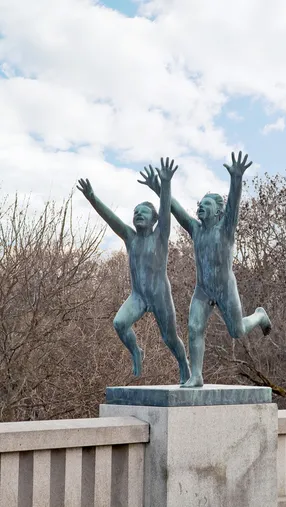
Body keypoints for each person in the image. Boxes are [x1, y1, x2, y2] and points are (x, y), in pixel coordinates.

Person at [138, 151, 271, 388]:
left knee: (237, 331)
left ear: (218, 211)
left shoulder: (225, 229)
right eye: (200, 204)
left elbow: (233, 205)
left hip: (225, 289)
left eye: (206, 205)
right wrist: (159, 187)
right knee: (193, 327)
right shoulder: (195, 229)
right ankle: (196, 375)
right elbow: (175, 209)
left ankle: (259, 315)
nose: (200, 208)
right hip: (203, 290)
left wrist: (236, 178)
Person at [77, 158, 190, 384]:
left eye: (143, 212)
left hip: (160, 296)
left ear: (154, 219)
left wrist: (165, 183)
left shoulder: (160, 236)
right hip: (138, 296)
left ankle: (184, 364)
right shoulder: (131, 238)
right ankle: (136, 351)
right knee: (119, 324)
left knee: (169, 338)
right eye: (135, 211)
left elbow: (166, 207)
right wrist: (92, 197)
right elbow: (111, 219)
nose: (138, 214)